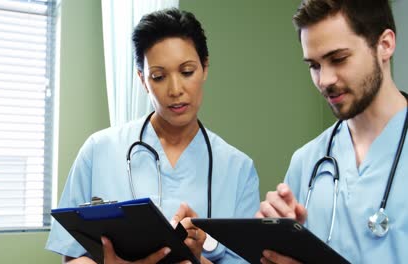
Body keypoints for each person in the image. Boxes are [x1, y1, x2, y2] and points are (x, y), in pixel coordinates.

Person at [46, 8, 260, 264]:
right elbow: (72, 256)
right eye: (158, 76)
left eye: (187, 71)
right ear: (143, 80)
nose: (175, 89)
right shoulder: (98, 150)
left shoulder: (239, 170)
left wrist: (195, 259)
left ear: (205, 67)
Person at [256, 0, 408, 263]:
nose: (324, 80)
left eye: (338, 59)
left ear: (384, 45)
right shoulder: (306, 162)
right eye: (314, 66)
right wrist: (275, 246)